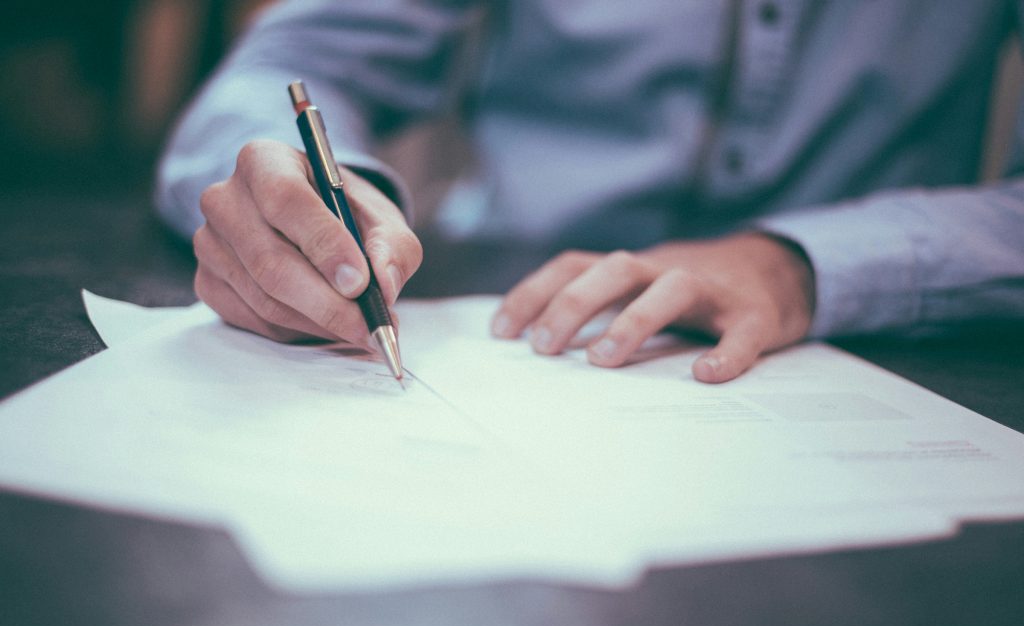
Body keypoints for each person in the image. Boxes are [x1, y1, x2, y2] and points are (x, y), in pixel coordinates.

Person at [156, 0, 1024, 383]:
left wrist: (800, 264)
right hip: (504, 314)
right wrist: (304, 202)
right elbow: (281, 71)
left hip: (881, 345)